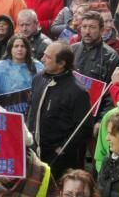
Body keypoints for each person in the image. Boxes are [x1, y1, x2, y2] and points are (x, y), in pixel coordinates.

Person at [26, 42, 92, 178]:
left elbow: (83, 128)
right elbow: (31, 110)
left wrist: (61, 150)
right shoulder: (38, 79)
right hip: (35, 153)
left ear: (61, 63)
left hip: (59, 161)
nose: (43, 59)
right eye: (44, 55)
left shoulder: (77, 91)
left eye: (48, 57)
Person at [0, 36, 41, 113]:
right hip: (4, 110)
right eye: (16, 46)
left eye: (22, 46)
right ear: (10, 49)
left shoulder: (38, 66)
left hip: (30, 110)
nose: (19, 49)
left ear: (27, 49)